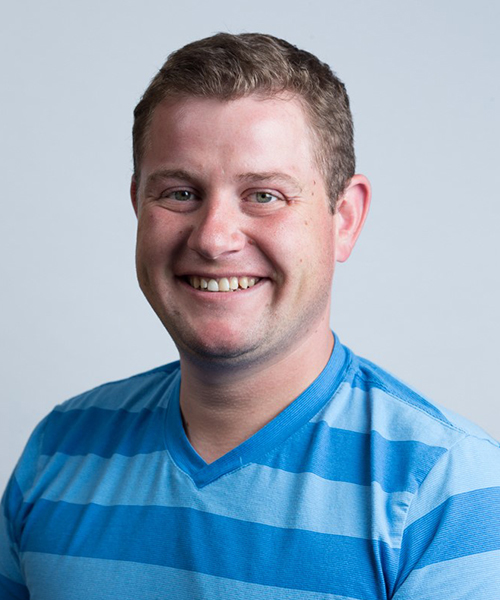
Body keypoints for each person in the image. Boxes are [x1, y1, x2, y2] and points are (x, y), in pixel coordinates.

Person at [1, 32, 499, 600]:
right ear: (138, 204)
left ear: (345, 218)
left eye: (264, 195)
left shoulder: (448, 490)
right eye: (180, 193)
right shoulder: (59, 449)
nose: (213, 239)